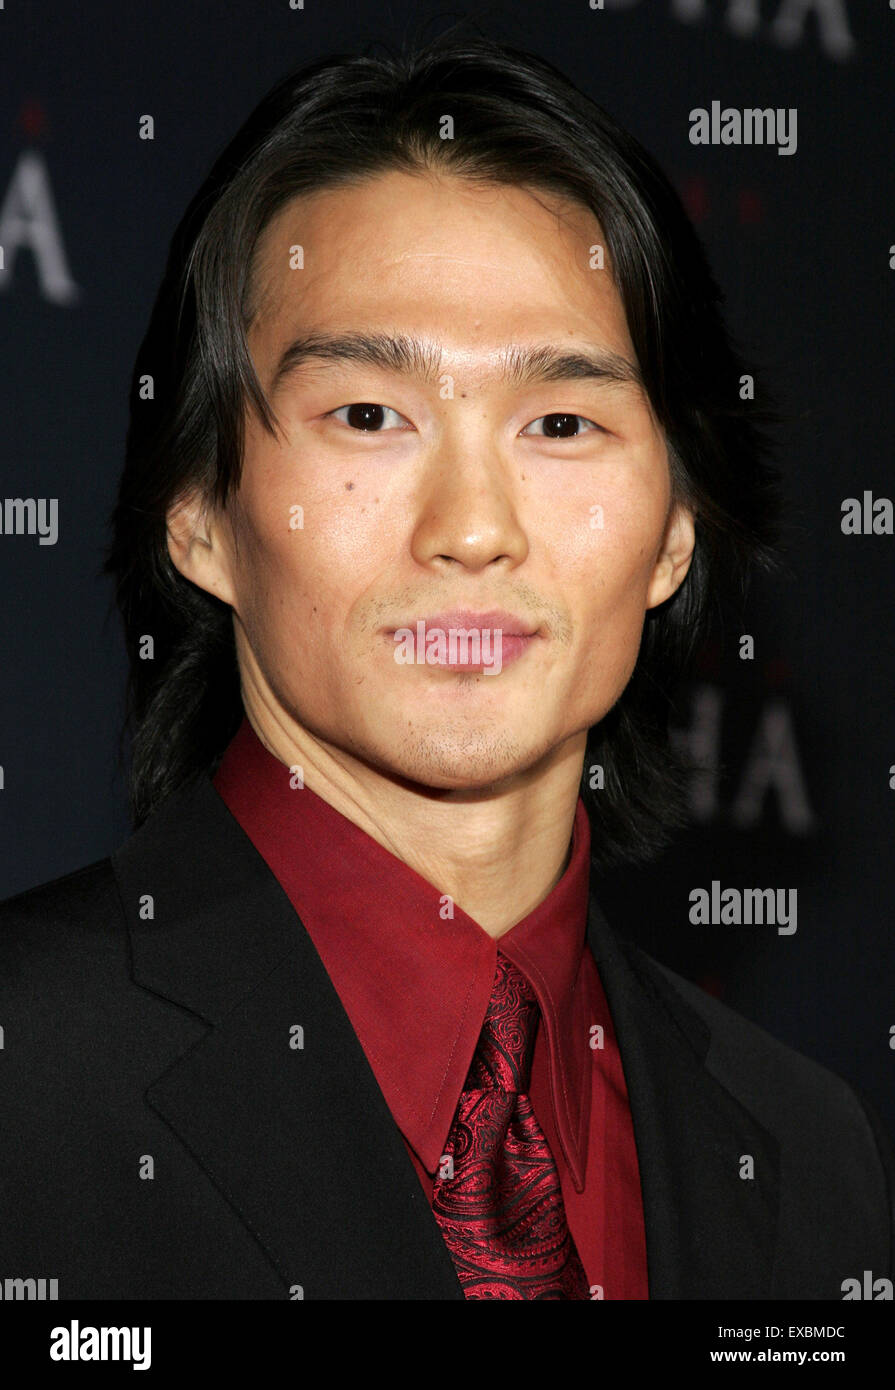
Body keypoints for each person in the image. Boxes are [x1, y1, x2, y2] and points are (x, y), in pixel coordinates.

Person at [1, 31, 892, 1301]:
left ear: (674, 533)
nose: (471, 526)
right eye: (369, 415)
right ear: (200, 512)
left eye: (561, 423)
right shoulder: (26, 1081)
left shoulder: (806, 1154)